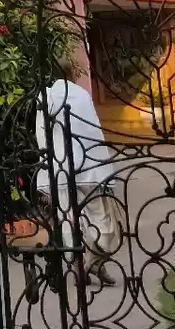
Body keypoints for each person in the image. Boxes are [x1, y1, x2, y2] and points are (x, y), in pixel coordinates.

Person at [35, 58, 125, 286]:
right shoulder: (83, 95)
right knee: (102, 220)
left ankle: (80, 267)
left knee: (69, 220)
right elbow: (94, 131)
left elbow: (42, 137)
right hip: (92, 167)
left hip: (62, 169)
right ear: (72, 74)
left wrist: (47, 171)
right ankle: (94, 262)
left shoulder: (46, 96)